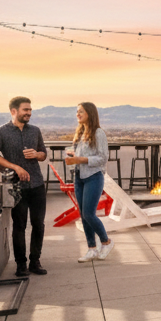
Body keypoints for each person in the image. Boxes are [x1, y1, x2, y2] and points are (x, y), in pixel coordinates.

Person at [0, 96, 49, 277]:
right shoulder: (0, 132)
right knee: (19, 226)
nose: (29, 113)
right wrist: (14, 166)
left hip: (37, 184)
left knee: (39, 225)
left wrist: (37, 154)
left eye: (30, 110)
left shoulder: (35, 131)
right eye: (25, 110)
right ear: (14, 111)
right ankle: (21, 265)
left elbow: (43, 154)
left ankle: (35, 262)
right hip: (16, 187)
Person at [65, 102, 114, 263]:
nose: (78, 114)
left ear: (90, 114)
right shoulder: (80, 132)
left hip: (94, 176)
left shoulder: (98, 133)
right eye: (77, 111)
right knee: (83, 215)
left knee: (88, 214)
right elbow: (79, 152)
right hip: (79, 177)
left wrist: (81, 159)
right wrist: (73, 154)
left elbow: (103, 157)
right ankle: (92, 249)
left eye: (81, 111)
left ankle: (106, 242)